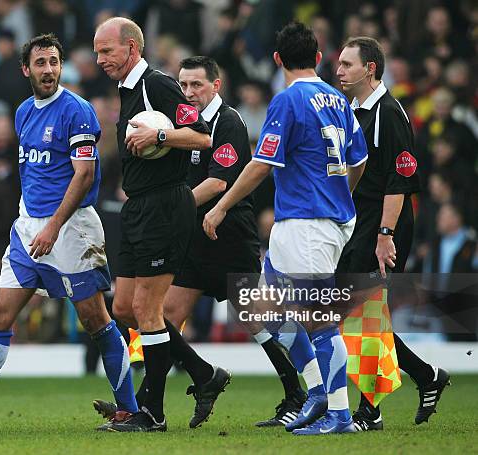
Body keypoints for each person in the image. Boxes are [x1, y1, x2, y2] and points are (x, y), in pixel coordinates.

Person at [0, 33, 138, 431]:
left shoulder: (78, 110)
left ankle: (130, 408)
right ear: (26, 69)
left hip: (72, 230)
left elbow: (84, 173)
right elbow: (33, 173)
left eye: (54, 62)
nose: (49, 70)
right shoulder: (23, 112)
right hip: (28, 230)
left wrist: (53, 226)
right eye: (41, 63)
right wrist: (30, 222)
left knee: (95, 319)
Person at [92, 56, 306, 429]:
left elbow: (220, 181)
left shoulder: (229, 122)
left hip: (228, 231)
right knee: (161, 315)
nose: (189, 93)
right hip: (190, 231)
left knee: (254, 319)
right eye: (185, 86)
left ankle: (296, 392)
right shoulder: (175, 120)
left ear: (216, 86)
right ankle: (175, 388)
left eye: (197, 86)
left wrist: (174, 206)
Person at [204, 22, 368, 435]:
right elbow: (359, 158)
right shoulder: (337, 98)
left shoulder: (288, 100)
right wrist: (340, 196)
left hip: (308, 224)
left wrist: (221, 206)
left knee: (319, 320)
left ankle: (340, 414)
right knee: (261, 307)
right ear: (318, 57)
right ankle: (316, 393)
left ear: (277, 60)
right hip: (309, 220)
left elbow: (261, 164)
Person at [93, 18, 224, 432]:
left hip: (165, 205)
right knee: (123, 308)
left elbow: (203, 137)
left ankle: (152, 413)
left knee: (148, 309)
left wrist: (160, 138)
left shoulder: (159, 84)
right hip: (138, 208)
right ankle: (203, 373)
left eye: (107, 51)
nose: (100, 60)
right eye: (97, 53)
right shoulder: (129, 90)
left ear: (132, 48)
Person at [336, 36, 450, 431]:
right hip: (359, 224)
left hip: (381, 225)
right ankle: (426, 376)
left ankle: (371, 412)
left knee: (363, 317)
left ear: (370, 69)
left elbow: (400, 181)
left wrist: (386, 235)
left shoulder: (390, 113)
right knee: (360, 318)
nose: (339, 71)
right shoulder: (354, 110)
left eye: (347, 64)